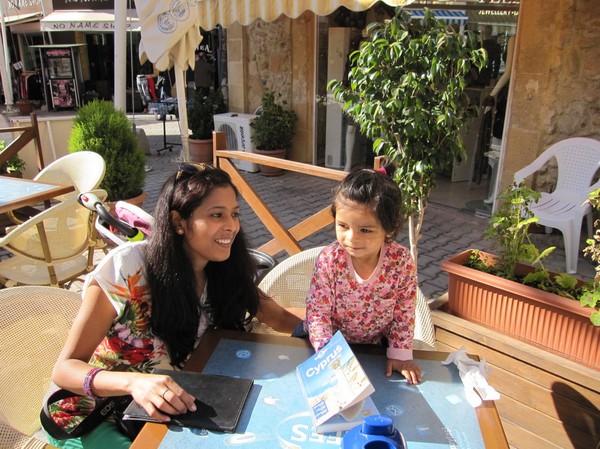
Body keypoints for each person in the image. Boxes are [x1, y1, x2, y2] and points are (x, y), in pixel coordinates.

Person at [48, 164, 302, 448]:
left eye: (234, 214)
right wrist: (135, 383)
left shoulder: (223, 268)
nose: (231, 225)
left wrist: (330, 337)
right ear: (179, 221)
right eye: (217, 214)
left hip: (169, 410)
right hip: (93, 416)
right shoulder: (128, 269)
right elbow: (65, 369)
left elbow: (277, 316)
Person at [304, 166, 422, 384]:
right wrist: (330, 358)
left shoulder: (401, 262)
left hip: (375, 348)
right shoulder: (329, 260)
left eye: (365, 230)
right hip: (326, 345)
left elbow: (404, 312)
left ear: (390, 228)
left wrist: (400, 356)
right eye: (343, 226)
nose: (351, 238)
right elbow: (318, 315)